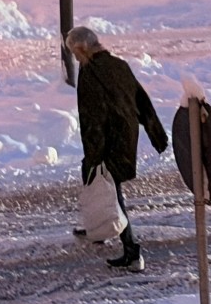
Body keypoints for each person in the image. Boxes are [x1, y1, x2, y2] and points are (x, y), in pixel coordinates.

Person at [66, 25, 167, 272]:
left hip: (107, 140)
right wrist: (157, 134)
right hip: (126, 136)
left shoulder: (90, 72)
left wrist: (94, 152)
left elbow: (93, 116)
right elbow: (141, 98)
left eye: (75, 53)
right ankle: (98, 229)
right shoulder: (119, 65)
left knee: (110, 190)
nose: (75, 58)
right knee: (105, 186)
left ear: (81, 48)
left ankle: (132, 252)